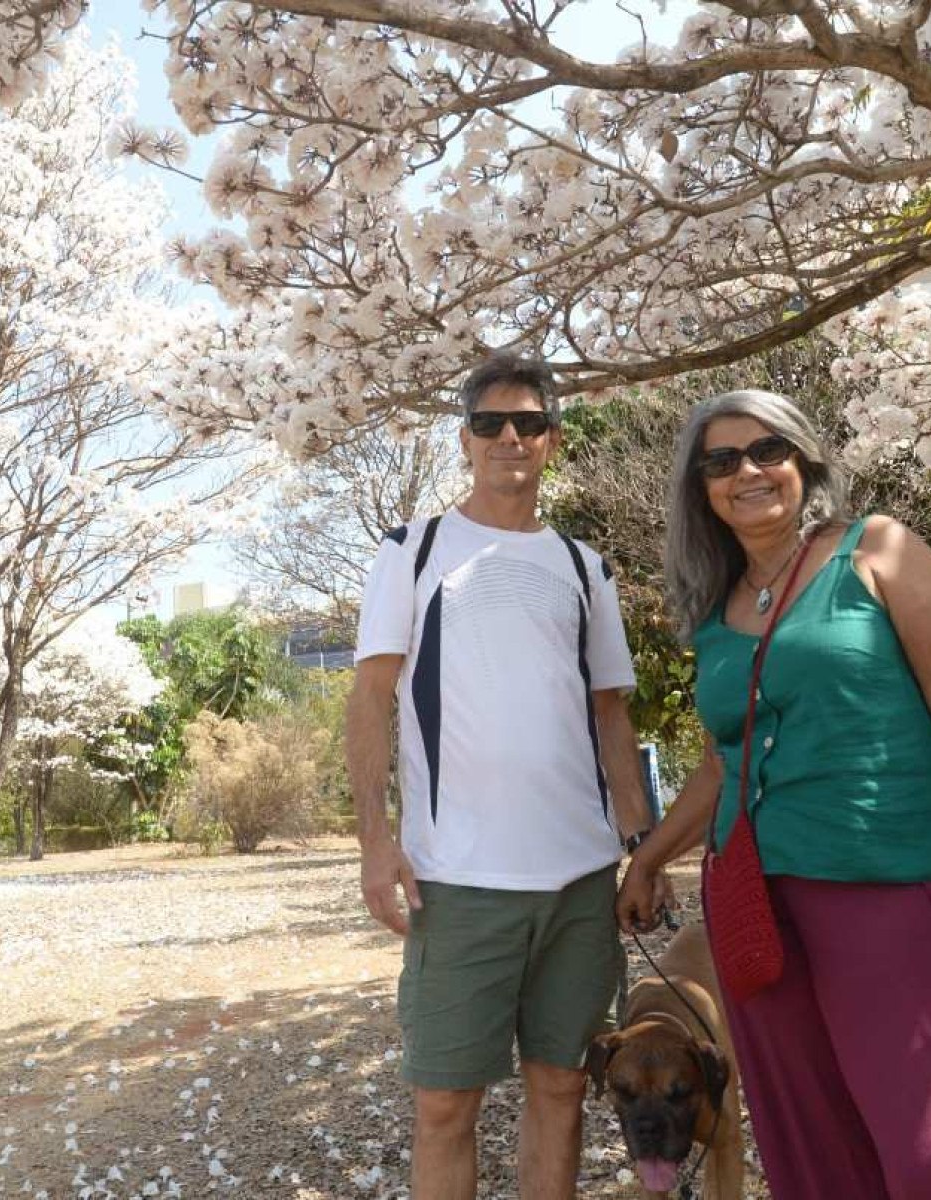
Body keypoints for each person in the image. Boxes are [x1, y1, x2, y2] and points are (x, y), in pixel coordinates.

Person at [616, 389, 931, 1200]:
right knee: (816, 1155)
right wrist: (649, 861)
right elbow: (721, 764)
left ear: (807, 462)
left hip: (894, 884)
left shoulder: (877, 552)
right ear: (701, 489)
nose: (750, 471)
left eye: (770, 450)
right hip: (758, 913)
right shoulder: (716, 612)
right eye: (722, 461)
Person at [346, 353, 659, 1200]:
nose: (509, 438)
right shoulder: (410, 552)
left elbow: (610, 716)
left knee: (561, 1088)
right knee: (445, 1104)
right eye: (490, 424)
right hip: (458, 881)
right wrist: (377, 845)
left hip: (581, 882)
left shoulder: (586, 567)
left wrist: (643, 851)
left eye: (527, 423)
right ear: (465, 440)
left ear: (552, 440)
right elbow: (371, 700)